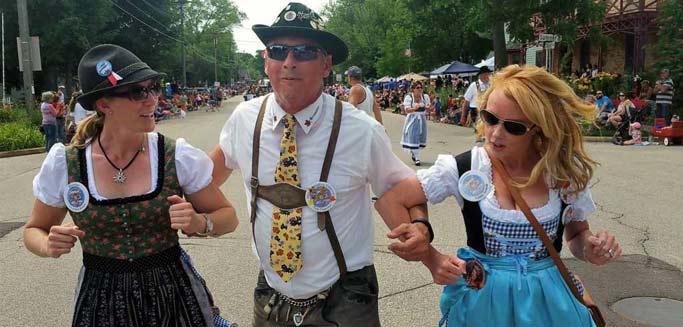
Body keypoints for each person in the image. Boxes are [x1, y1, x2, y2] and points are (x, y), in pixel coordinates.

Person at [208, 3, 430, 326]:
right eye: (278, 50)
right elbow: (203, 178)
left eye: (304, 52)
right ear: (265, 62)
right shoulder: (245, 120)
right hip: (270, 297)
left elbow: (404, 189)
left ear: (326, 64)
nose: (289, 62)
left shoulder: (361, 131)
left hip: (344, 302)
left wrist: (423, 231)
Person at [375, 65, 621, 327]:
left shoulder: (561, 172)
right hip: (483, 301)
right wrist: (430, 257)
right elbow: (392, 199)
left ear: (538, 128)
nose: (495, 132)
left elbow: (575, 235)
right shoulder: (468, 167)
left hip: (549, 303)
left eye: (513, 126)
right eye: (490, 118)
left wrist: (590, 247)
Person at [23, 44, 238, 327]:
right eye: (138, 92)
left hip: (173, 296)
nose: (152, 100)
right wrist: (47, 244)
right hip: (101, 301)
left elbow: (228, 217)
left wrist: (200, 222)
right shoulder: (67, 163)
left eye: (153, 88)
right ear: (103, 104)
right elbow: (33, 230)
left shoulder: (176, 156)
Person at [401, 81, 431, 166]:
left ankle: (414, 153)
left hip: (422, 118)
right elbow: (407, 110)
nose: (420, 89)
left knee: (420, 137)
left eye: (421, 87)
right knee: (413, 136)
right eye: (417, 88)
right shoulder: (409, 97)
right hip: (412, 119)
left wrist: (428, 108)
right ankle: (417, 158)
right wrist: (414, 108)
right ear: (413, 89)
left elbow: (428, 108)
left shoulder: (425, 97)